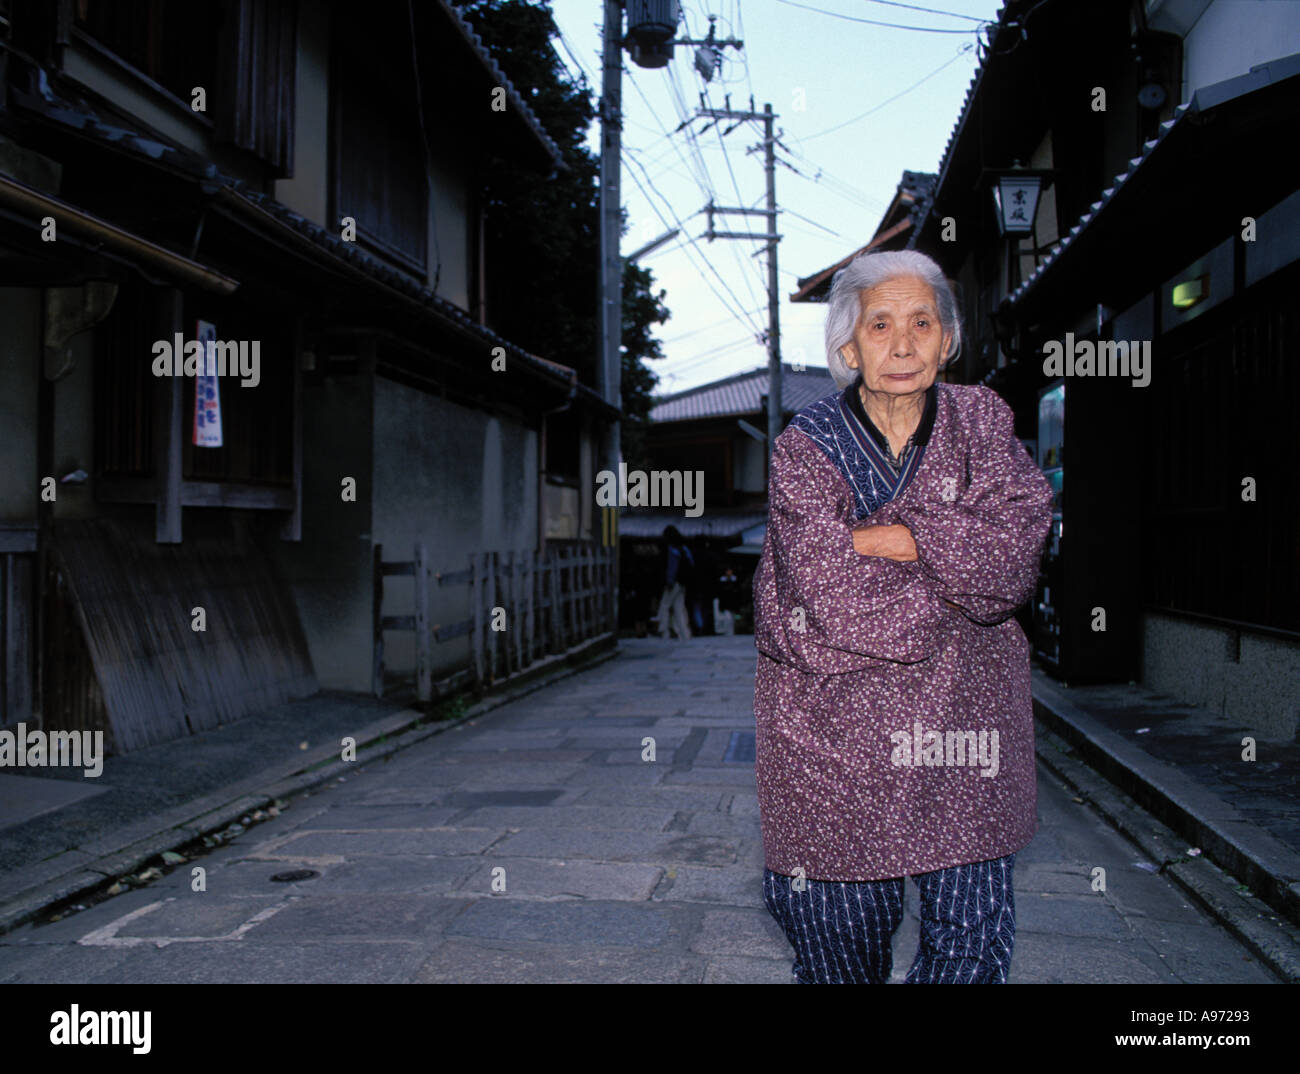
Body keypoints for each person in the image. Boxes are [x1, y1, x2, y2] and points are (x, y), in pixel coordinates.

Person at [752, 249, 1054, 984]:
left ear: (949, 340)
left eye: (923, 321)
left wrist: (905, 536)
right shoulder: (807, 447)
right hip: (835, 740)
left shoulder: (982, 422)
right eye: (880, 324)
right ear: (848, 346)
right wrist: (951, 579)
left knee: (973, 950)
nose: (903, 342)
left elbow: (1014, 557)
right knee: (837, 944)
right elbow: (831, 600)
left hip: (966, 732)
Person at [656, 525, 693, 640]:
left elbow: (672, 567)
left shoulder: (671, 550)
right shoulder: (684, 549)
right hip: (683, 583)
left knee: (665, 606)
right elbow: (691, 564)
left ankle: (664, 631)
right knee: (679, 608)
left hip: (674, 582)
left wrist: (669, 580)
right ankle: (684, 633)